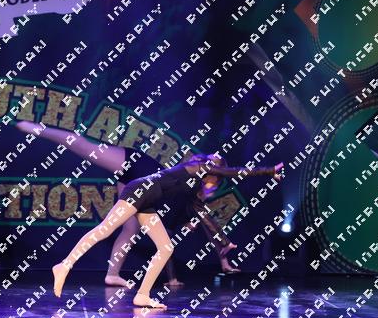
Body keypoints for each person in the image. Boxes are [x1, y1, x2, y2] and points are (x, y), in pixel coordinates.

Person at [15, 122, 241, 286]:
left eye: (215, 163)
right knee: (87, 148)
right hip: (136, 165)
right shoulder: (193, 171)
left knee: (130, 229)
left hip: (138, 186)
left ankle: (112, 274)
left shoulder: (197, 191)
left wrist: (222, 258)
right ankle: (36, 129)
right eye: (210, 160)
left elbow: (205, 221)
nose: (210, 161)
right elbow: (202, 216)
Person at [52, 154, 283, 308]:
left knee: (165, 248)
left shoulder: (194, 185)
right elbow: (234, 172)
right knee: (105, 229)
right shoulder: (197, 166)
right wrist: (268, 170)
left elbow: (202, 213)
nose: (215, 163)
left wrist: (222, 240)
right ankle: (64, 265)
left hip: (148, 200)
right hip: (140, 189)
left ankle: (142, 295)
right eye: (215, 162)